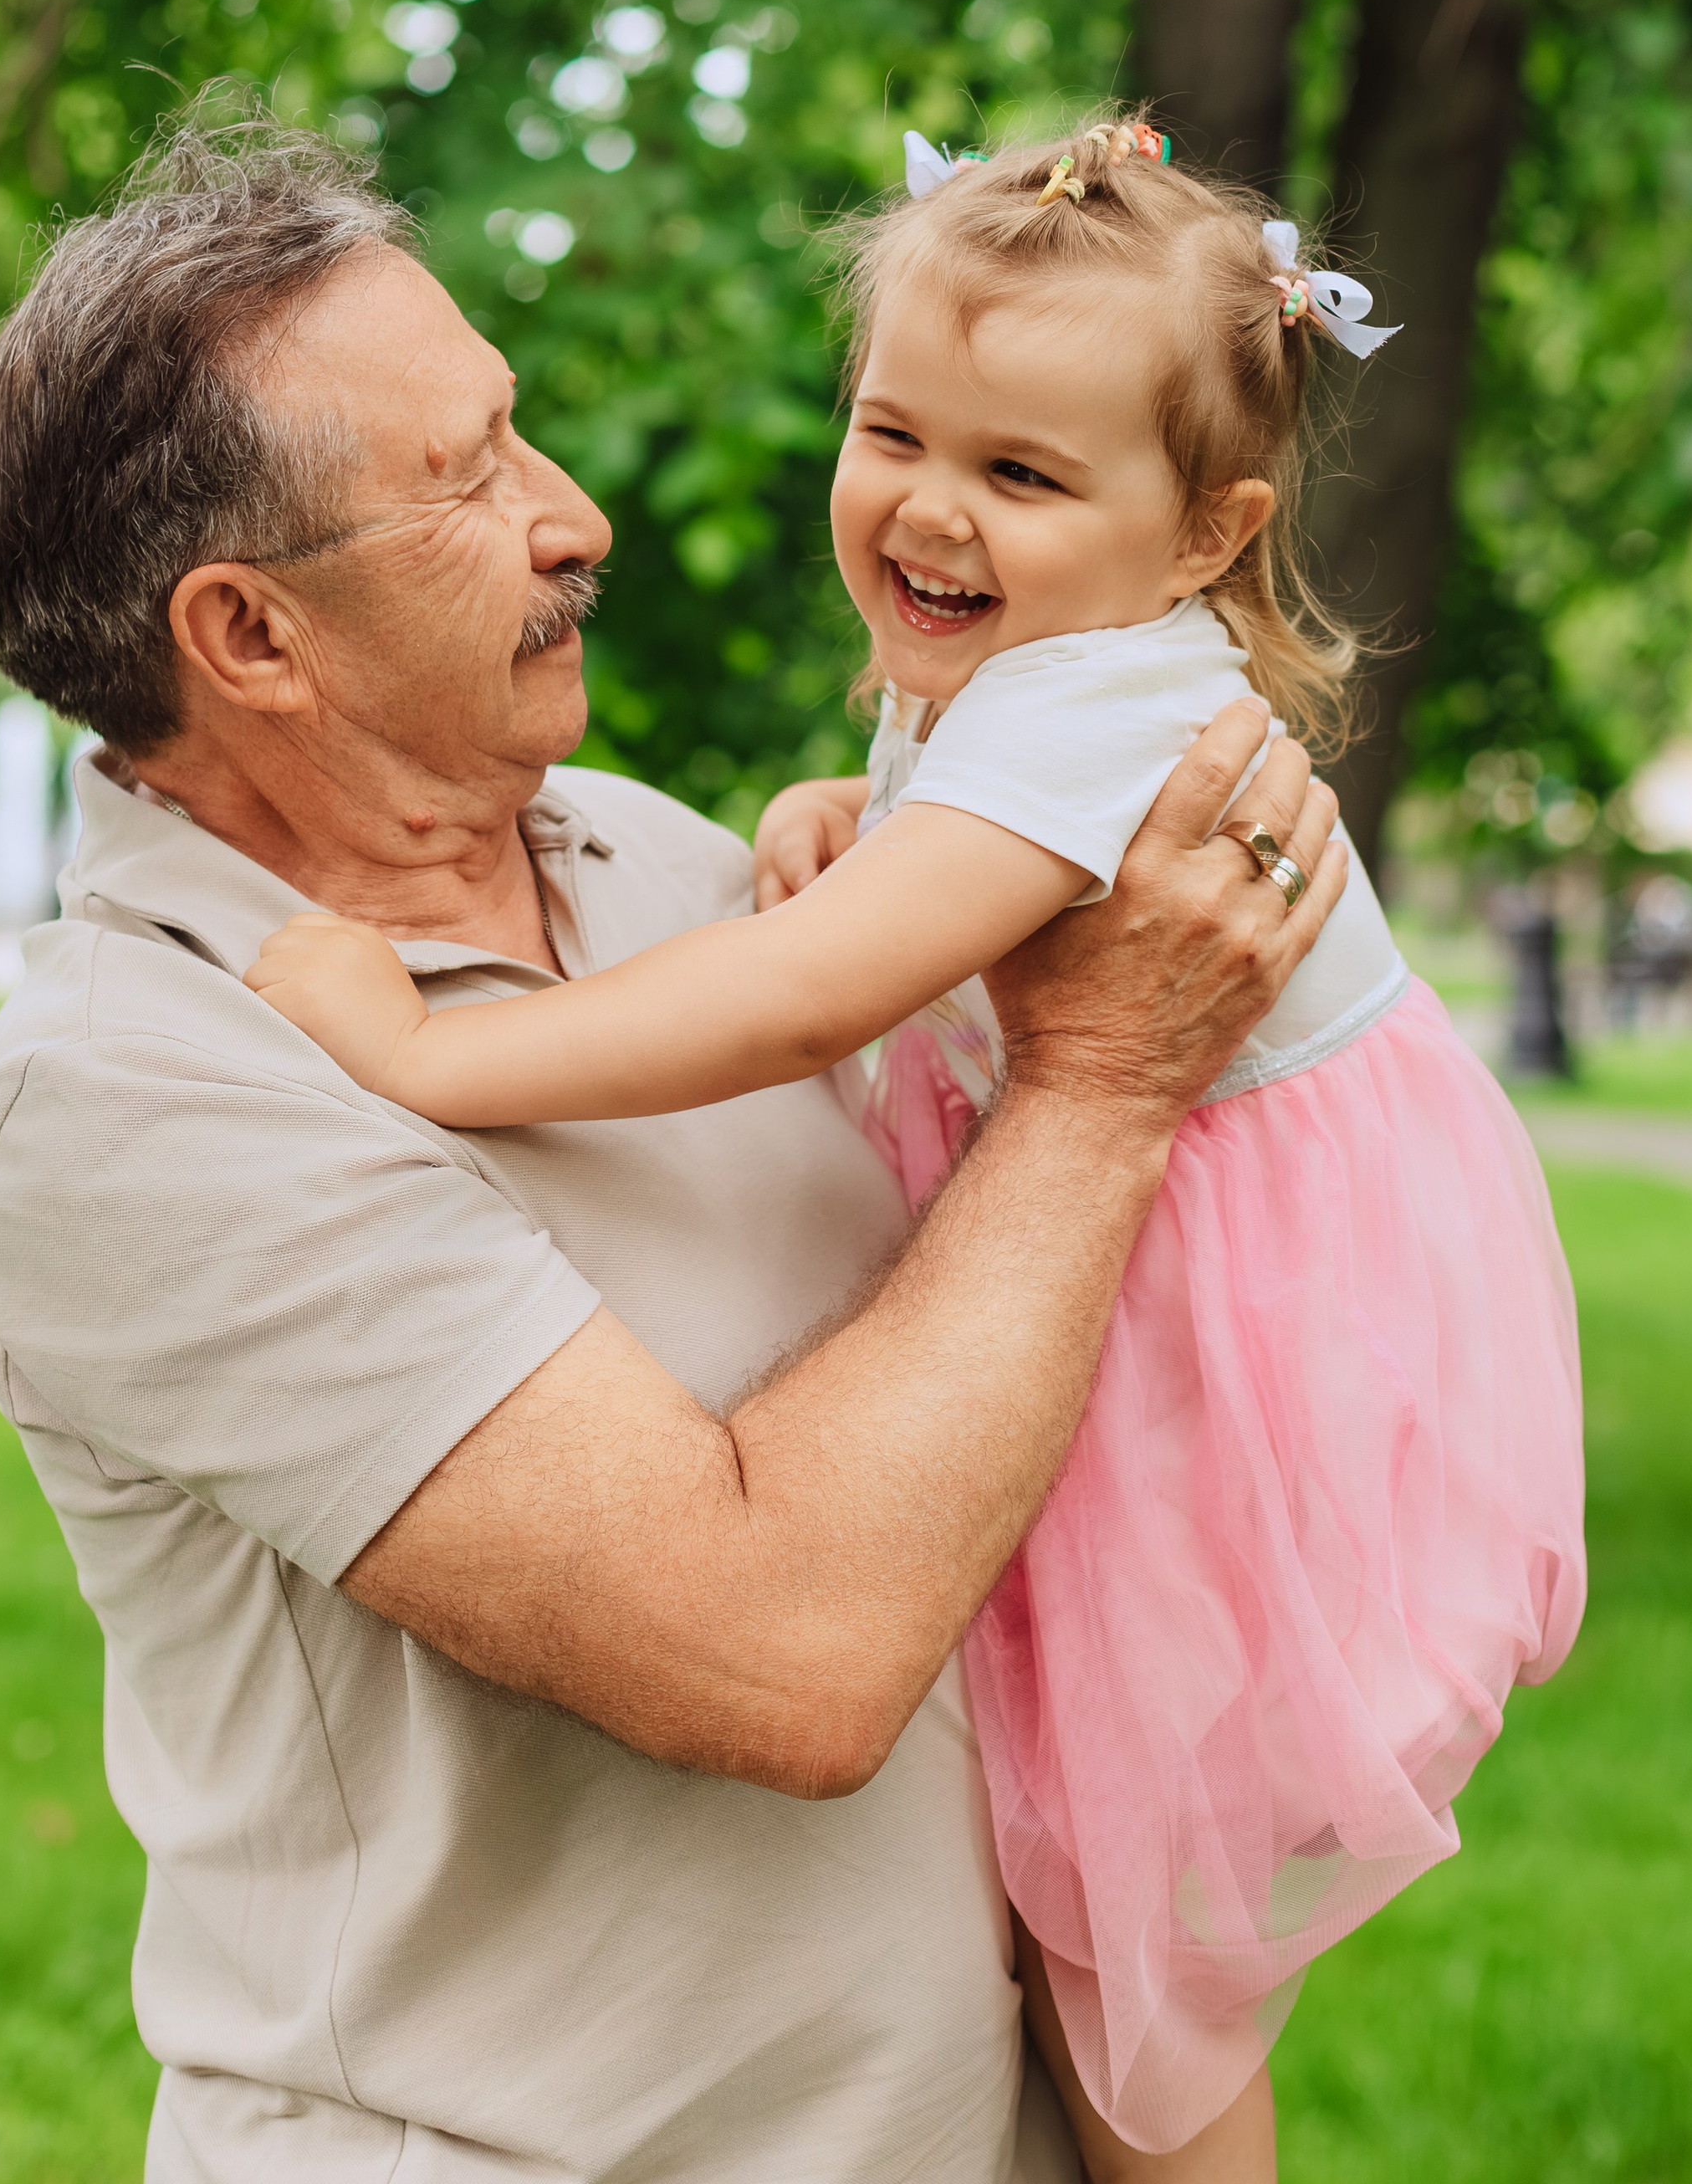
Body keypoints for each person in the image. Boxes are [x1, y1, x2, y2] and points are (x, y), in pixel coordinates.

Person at [0, 106, 1350, 2184]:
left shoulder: (673, 875)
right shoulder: (134, 1093)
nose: (574, 512)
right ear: (250, 640)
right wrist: (1106, 1080)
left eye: (517, 431)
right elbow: (785, 1658)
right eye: (467, 483)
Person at [246, 114, 1588, 2180]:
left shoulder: (1094, 709)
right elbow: (948, 872)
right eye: (895, 433)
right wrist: (848, 813)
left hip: (1236, 1341)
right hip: (1204, 1270)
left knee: (1126, 1912)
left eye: (1022, 475)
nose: (929, 511)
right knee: (1100, 1903)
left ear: (1208, 534)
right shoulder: (1032, 670)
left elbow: (797, 998)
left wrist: (434, 1061)